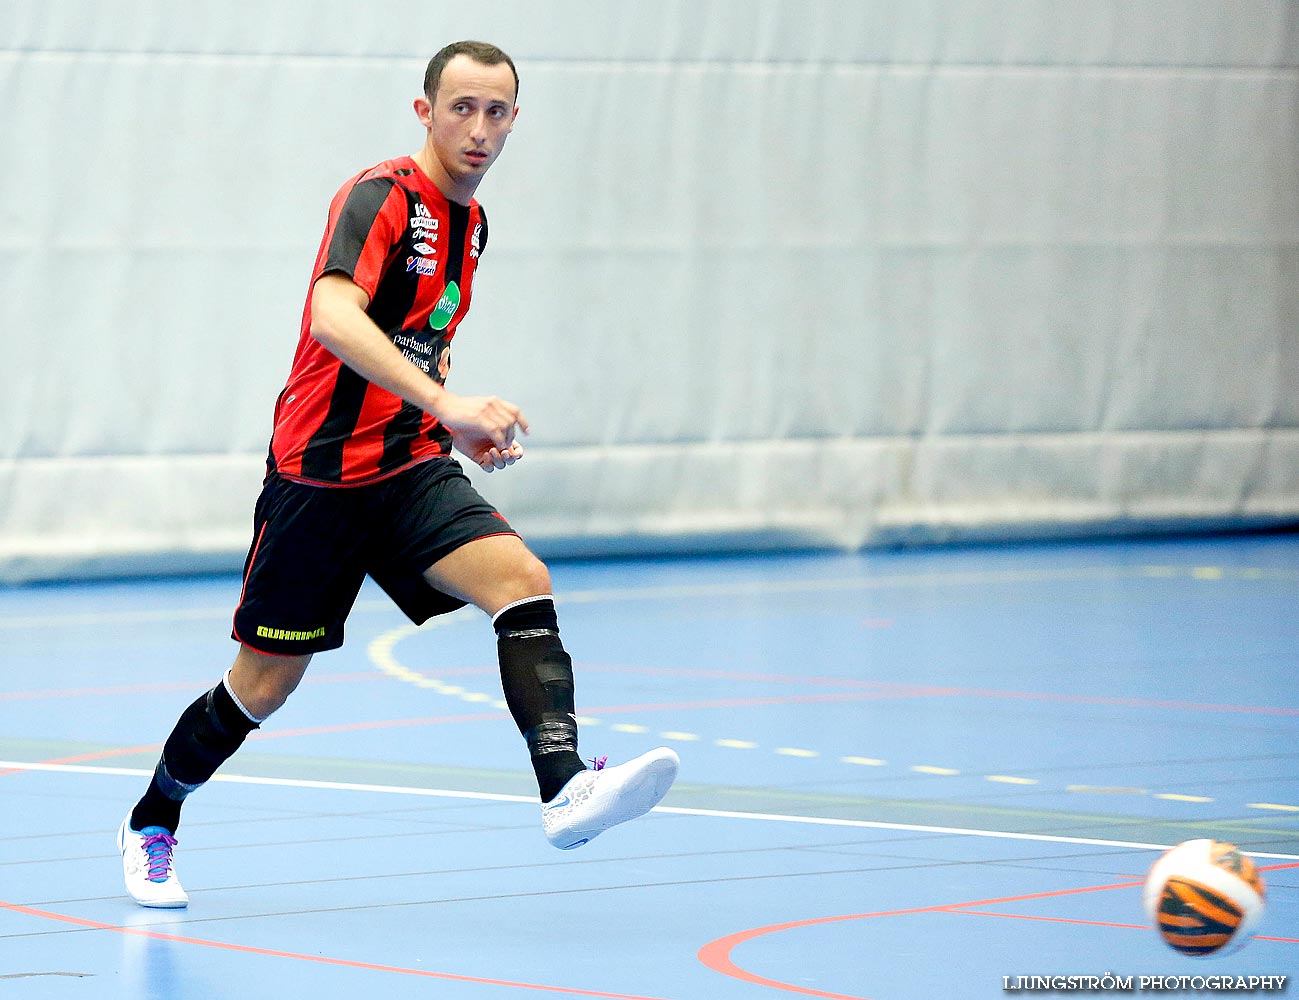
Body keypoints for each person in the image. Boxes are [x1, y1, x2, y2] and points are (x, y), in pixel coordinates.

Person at [116, 40, 679, 909]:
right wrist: (449, 406)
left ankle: (565, 788)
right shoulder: (380, 197)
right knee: (262, 686)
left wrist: (451, 424)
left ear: (515, 121)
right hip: (318, 479)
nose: (479, 128)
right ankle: (155, 817)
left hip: (410, 466)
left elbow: (419, 344)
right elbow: (334, 316)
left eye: (497, 112)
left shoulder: (473, 227)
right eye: (462, 108)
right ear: (425, 112)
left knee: (521, 581)